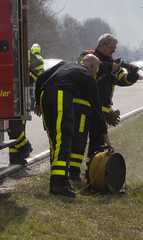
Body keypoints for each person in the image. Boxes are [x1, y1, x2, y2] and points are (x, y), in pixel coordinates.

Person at [34, 55, 113, 197]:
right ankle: (58, 184)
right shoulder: (88, 76)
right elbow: (96, 107)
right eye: (96, 70)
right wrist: (104, 134)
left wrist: (38, 102)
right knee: (63, 138)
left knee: (54, 140)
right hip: (60, 95)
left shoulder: (64, 64)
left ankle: (62, 179)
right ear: (94, 66)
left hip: (45, 96)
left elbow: (40, 78)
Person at [71, 34, 139, 184]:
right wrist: (109, 66)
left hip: (101, 112)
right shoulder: (87, 55)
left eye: (115, 49)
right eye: (111, 48)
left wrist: (132, 75)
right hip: (83, 108)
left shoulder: (113, 64)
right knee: (79, 141)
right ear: (102, 45)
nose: (113, 51)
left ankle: (91, 175)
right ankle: (73, 174)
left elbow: (122, 79)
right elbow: (84, 66)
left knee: (97, 145)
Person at [8, 43, 45, 165]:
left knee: (18, 124)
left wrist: (28, 81)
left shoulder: (24, 53)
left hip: (19, 97)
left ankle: (16, 157)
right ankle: (23, 149)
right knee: (14, 126)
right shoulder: (6, 52)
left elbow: (39, 67)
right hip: (5, 95)